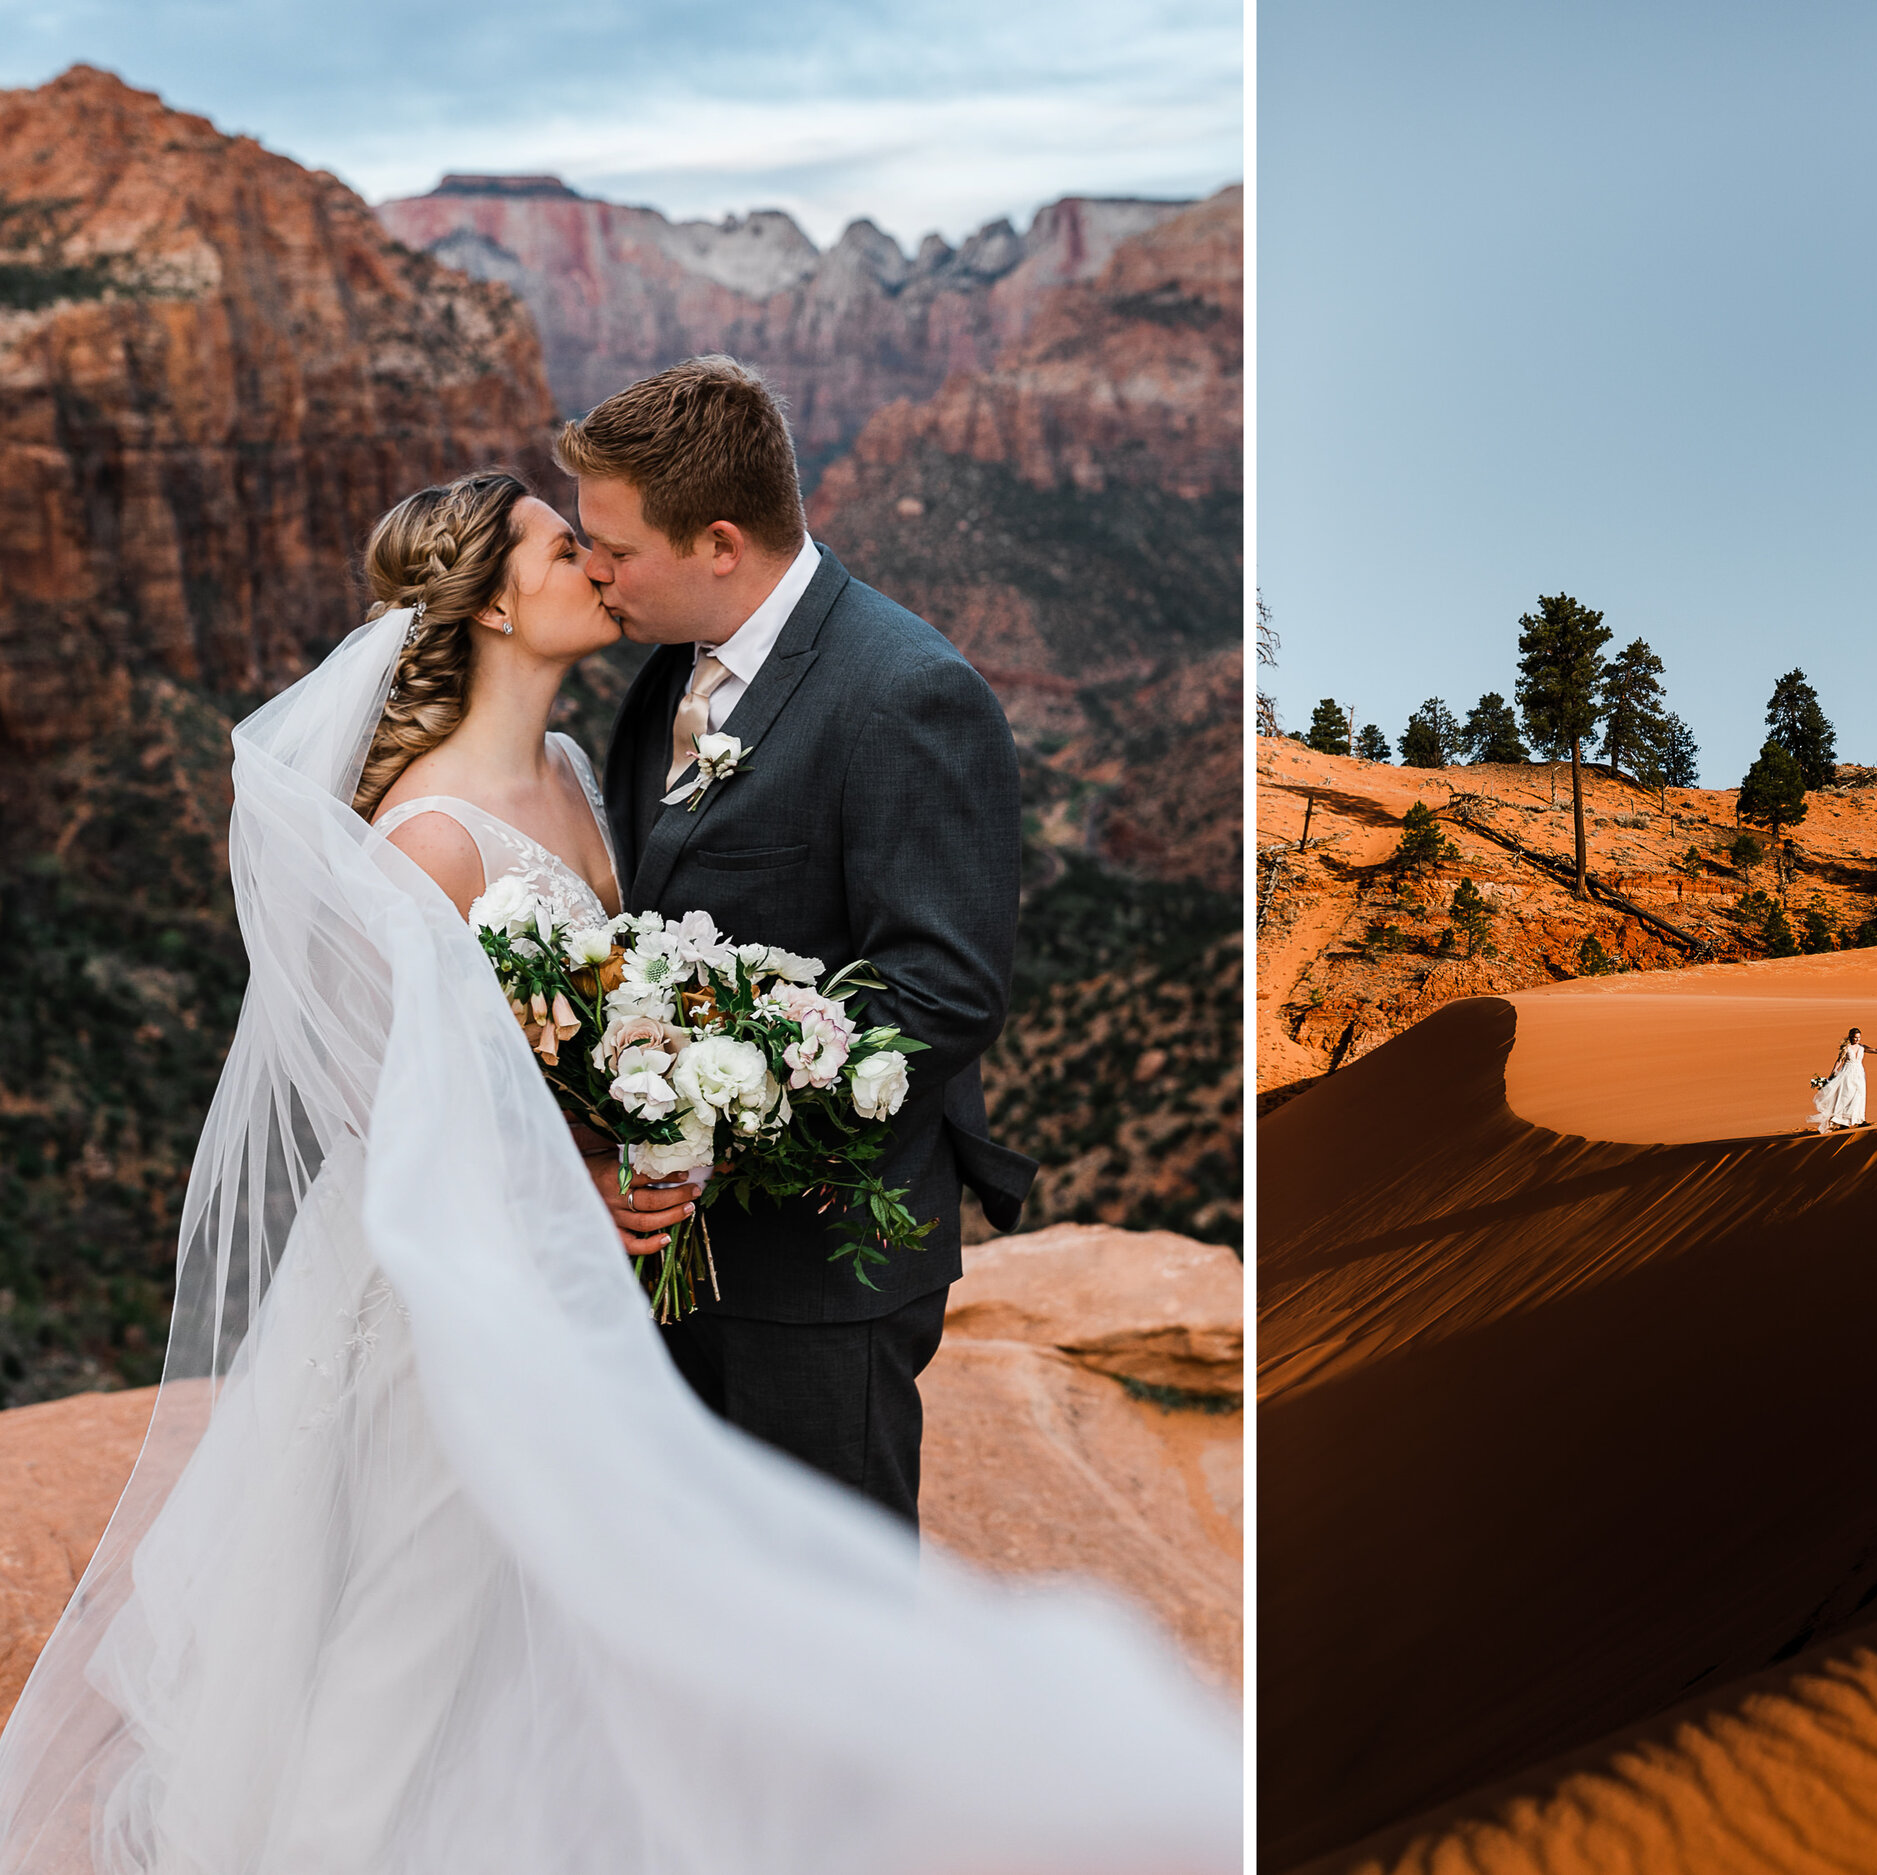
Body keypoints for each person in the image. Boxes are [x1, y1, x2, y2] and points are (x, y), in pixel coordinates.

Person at [0, 470, 1235, 1873]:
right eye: (556, 544)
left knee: (546, 1622)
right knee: (417, 1614)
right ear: (485, 607)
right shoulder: (431, 836)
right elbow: (371, 1099)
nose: (591, 562)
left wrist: (642, 1124)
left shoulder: (586, 774)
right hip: (445, 1285)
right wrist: (572, 1166)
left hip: (586, 1266)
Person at [565, 355, 1033, 1528]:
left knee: (836, 1631)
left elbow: (943, 992)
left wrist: (707, 1115)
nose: (591, 571)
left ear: (719, 543)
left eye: (613, 550)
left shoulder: (907, 691)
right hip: (670, 1262)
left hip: (821, 1273)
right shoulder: (662, 670)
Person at [1811, 1027, 1868, 1132]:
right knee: (1845, 1096)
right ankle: (1842, 1122)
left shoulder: (1862, 1047)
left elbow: (1874, 1050)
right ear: (1851, 1037)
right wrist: (1834, 1071)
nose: (1857, 1040)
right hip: (1847, 1073)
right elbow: (1839, 1060)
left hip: (1859, 1073)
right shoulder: (1846, 1047)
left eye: (1859, 1038)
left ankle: (1860, 1120)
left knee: (1859, 1095)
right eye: (1855, 1038)